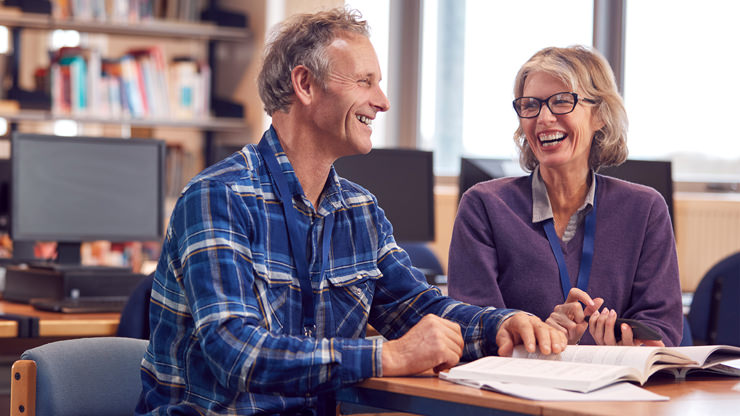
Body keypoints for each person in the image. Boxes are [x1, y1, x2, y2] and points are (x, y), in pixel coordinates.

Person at [136, 8, 565, 416]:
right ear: (304, 84)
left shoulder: (360, 210)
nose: (382, 101)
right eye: (365, 81)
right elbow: (236, 352)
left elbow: (416, 308)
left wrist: (499, 326)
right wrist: (388, 354)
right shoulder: (218, 197)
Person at [447, 45, 682, 347]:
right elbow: (469, 326)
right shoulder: (484, 205)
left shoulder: (645, 209)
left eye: (561, 102)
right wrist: (541, 335)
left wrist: (630, 346)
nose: (543, 118)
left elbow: (662, 330)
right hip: (516, 386)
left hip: (615, 388)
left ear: (600, 115)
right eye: (530, 105)